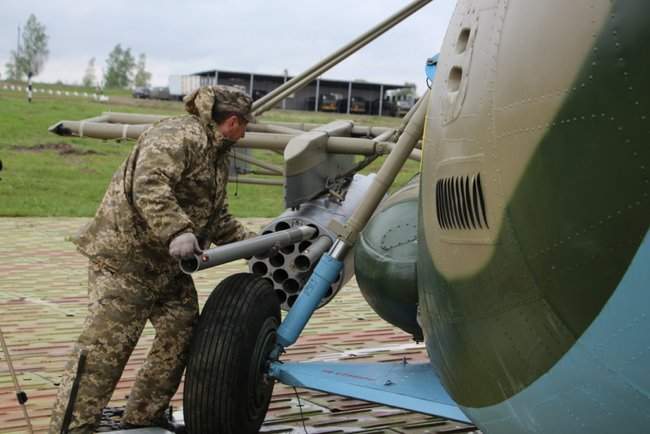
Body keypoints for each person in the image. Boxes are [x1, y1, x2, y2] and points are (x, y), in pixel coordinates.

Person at [48, 85, 257, 434]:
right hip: (125, 262)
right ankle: (70, 428)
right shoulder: (178, 136)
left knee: (182, 329)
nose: (246, 133)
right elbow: (149, 183)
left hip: (165, 269)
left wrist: (256, 244)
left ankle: (143, 415)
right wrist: (177, 231)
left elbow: (215, 217)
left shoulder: (215, 153)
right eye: (245, 125)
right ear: (232, 121)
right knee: (104, 352)